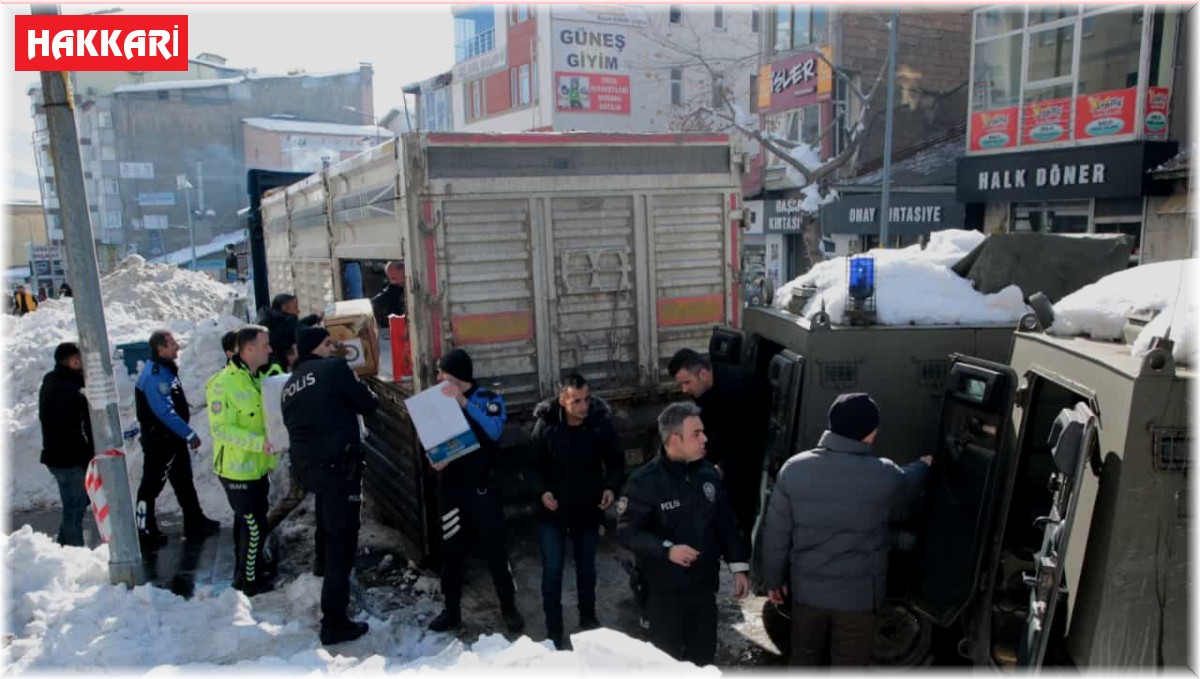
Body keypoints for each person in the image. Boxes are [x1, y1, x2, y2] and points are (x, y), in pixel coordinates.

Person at [761, 392, 933, 666]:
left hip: (807, 594)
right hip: (859, 600)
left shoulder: (794, 468)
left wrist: (773, 579)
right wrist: (925, 465)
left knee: (804, 659)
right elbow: (908, 482)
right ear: (869, 433)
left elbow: (776, 534)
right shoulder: (883, 474)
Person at [616, 402, 750, 666]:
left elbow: (725, 524)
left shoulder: (707, 474)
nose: (705, 439)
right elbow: (627, 532)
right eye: (696, 434)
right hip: (662, 595)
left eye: (703, 432)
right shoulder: (645, 483)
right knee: (665, 663)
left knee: (702, 658)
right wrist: (667, 549)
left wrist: (739, 567)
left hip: (702, 590)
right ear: (674, 439)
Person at [282, 326, 379, 645]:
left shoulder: (290, 384)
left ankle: (321, 569)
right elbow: (368, 404)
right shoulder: (335, 369)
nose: (332, 348)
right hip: (339, 469)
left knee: (326, 521)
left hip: (309, 470)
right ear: (315, 348)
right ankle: (334, 622)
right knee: (342, 542)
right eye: (327, 343)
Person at [426, 348, 525, 634]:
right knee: (452, 553)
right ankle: (451, 610)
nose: (437, 377)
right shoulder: (436, 403)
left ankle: (509, 608)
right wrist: (434, 460)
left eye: (442, 372)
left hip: (483, 491)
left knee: (496, 553)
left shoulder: (488, 400)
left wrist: (461, 401)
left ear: (455, 376)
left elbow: (493, 431)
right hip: (452, 491)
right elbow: (431, 442)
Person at [530, 373, 624, 649]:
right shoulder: (546, 426)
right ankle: (554, 633)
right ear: (562, 400)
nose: (583, 406)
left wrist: (611, 487)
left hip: (587, 510)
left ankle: (588, 620)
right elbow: (532, 466)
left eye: (586, 399)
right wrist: (542, 492)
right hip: (553, 514)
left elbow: (616, 461)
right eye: (576, 401)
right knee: (553, 573)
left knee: (587, 569)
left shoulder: (599, 423)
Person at [667, 348, 770, 540]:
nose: (684, 390)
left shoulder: (741, 388)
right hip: (723, 452)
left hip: (747, 459)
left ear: (704, 373)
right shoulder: (702, 389)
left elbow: (747, 442)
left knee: (739, 509)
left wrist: (722, 467)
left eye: (687, 382)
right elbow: (708, 425)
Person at [207, 324, 278, 596]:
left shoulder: (256, 376)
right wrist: (259, 443)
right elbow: (221, 429)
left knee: (248, 524)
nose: (269, 349)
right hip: (237, 471)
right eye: (264, 345)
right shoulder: (222, 383)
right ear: (248, 349)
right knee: (254, 526)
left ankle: (246, 570)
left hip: (257, 467)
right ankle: (249, 580)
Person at [134, 330, 220, 547]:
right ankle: (144, 528)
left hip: (172, 439)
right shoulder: (154, 375)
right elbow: (163, 411)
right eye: (172, 343)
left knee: (183, 481)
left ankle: (194, 520)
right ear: (160, 348)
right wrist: (188, 433)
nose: (177, 346)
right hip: (160, 442)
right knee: (151, 485)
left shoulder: (165, 369)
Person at [39, 342, 94, 547]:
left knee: (74, 503)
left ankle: (63, 548)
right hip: (68, 458)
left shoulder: (54, 381)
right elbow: (72, 429)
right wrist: (84, 458)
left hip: (58, 456)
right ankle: (74, 552)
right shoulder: (67, 389)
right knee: (75, 506)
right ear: (73, 361)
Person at [256, 293, 321, 370]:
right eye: (295, 307)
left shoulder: (275, 321)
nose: (298, 311)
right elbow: (302, 329)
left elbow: (297, 325)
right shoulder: (286, 322)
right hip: (279, 365)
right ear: (285, 308)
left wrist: (315, 318)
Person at [370, 261, 406, 328]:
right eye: (391, 279)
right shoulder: (394, 287)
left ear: (402, 270)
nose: (393, 282)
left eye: (393, 278)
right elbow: (384, 296)